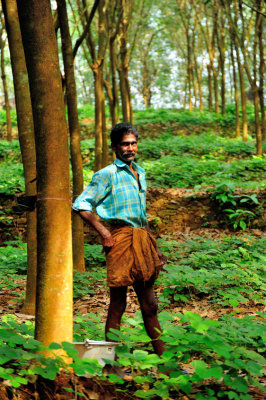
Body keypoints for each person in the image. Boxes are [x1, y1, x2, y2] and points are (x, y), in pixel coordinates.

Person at [73, 122, 166, 356]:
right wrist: (104, 233)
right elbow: (81, 204)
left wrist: (153, 246)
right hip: (120, 238)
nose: (130, 148)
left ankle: (164, 360)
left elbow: (141, 214)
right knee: (118, 304)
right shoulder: (107, 174)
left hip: (142, 238)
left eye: (133, 143)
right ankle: (111, 362)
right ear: (115, 146)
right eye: (125, 144)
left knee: (150, 304)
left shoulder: (140, 172)